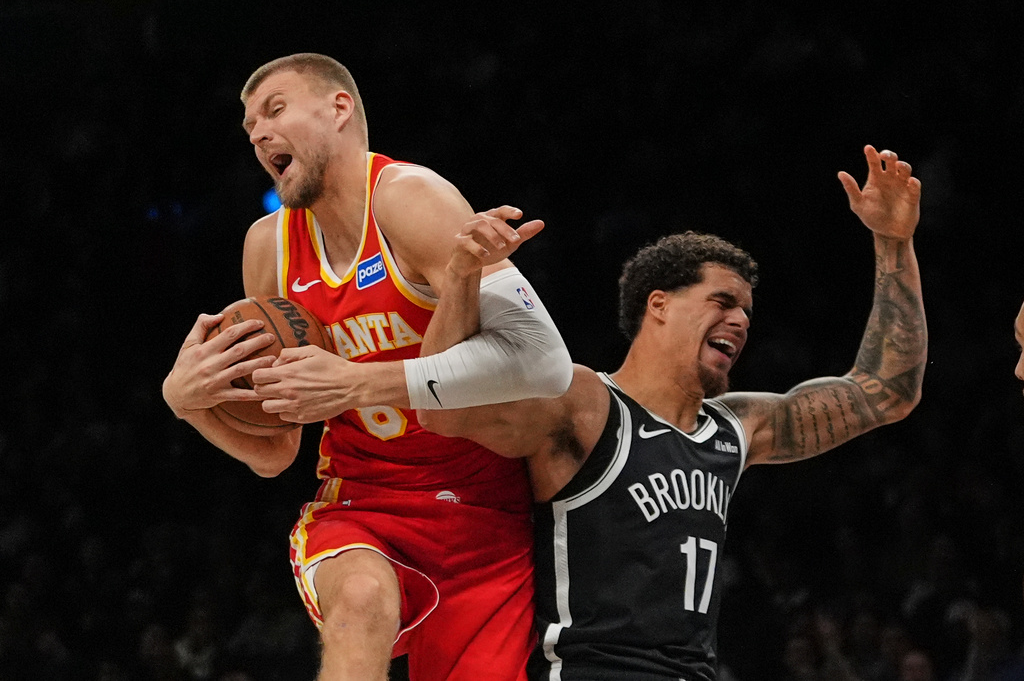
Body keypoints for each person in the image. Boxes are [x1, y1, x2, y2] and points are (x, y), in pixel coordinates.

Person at [418, 145, 928, 680]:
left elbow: (886, 392)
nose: (741, 320)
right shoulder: (586, 402)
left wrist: (893, 241)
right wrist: (460, 276)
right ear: (658, 305)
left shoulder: (737, 428)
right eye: (722, 302)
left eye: (747, 312)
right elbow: (439, 406)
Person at [162, 53, 573, 681]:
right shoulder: (267, 246)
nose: (259, 135)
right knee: (359, 605)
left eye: (274, 111)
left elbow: (545, 361)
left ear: (339, 108)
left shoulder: (413, 199)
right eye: (249, 130)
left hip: (483, 509)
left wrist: (361, 381)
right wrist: (190, 405)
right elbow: (274, 453)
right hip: (359, 501)